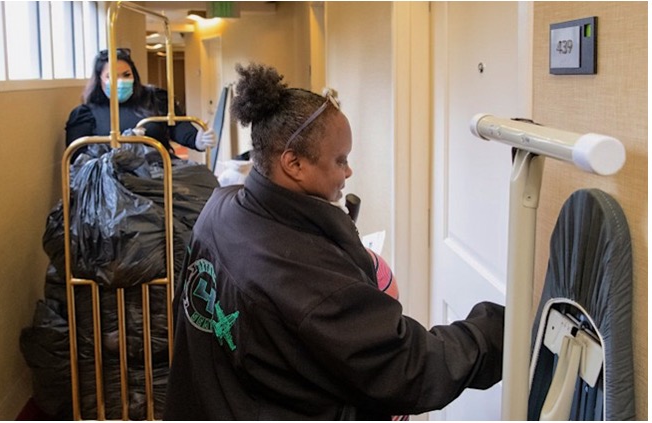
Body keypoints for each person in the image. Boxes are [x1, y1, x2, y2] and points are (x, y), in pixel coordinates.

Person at [163, 63, 504, 420]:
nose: (348, 171)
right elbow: (408, 367)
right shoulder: (302, 276)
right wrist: (499, 332)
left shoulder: (220, 207)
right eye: (340, 160)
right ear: (294, 163)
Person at [64, 48, 215, 158]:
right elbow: (78, 157)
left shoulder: (155, 99)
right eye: (112, 76)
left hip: (159, 176)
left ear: (134, 76)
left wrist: (197, 140)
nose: (121, 81)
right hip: (112, 182)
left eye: (126, 75)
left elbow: (178, 126)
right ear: (99, 80)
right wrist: (124, 145)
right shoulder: (86, 114)